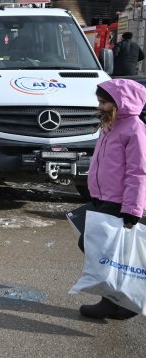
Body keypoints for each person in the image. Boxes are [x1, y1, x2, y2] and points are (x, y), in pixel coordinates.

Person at [78, 79, 146, 320]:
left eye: (104, 102)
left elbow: (138, 172)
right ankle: (118, 301)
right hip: (102, 197)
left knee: (105, 249)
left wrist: (132, 209)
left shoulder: (135, 129)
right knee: (97, 247)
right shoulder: (110, 125)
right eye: (99, 101)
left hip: (119, 202)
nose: (100, 106)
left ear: (121, 103)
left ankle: (117, 302)